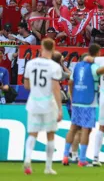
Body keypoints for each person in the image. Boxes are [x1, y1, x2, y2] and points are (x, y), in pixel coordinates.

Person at [23, 38, 63, 175]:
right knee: (50, 135)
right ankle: (48, 167)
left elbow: (26, 86)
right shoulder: (55, 67)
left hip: (33, 102)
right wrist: (60, 108)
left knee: (32, 134)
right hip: (48, 104)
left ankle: (27, 159)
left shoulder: (30, 63)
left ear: (41, 47)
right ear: (53, 48)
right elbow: (55, 89)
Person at [62, 44, 100, 167]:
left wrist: (72, 97)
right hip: (89, 102)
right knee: (85, 129)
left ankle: (65, 156)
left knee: (73, 128)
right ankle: (82, 159)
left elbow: (70, 82)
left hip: (76, 101)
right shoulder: (94, 67)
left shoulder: (77, 67)